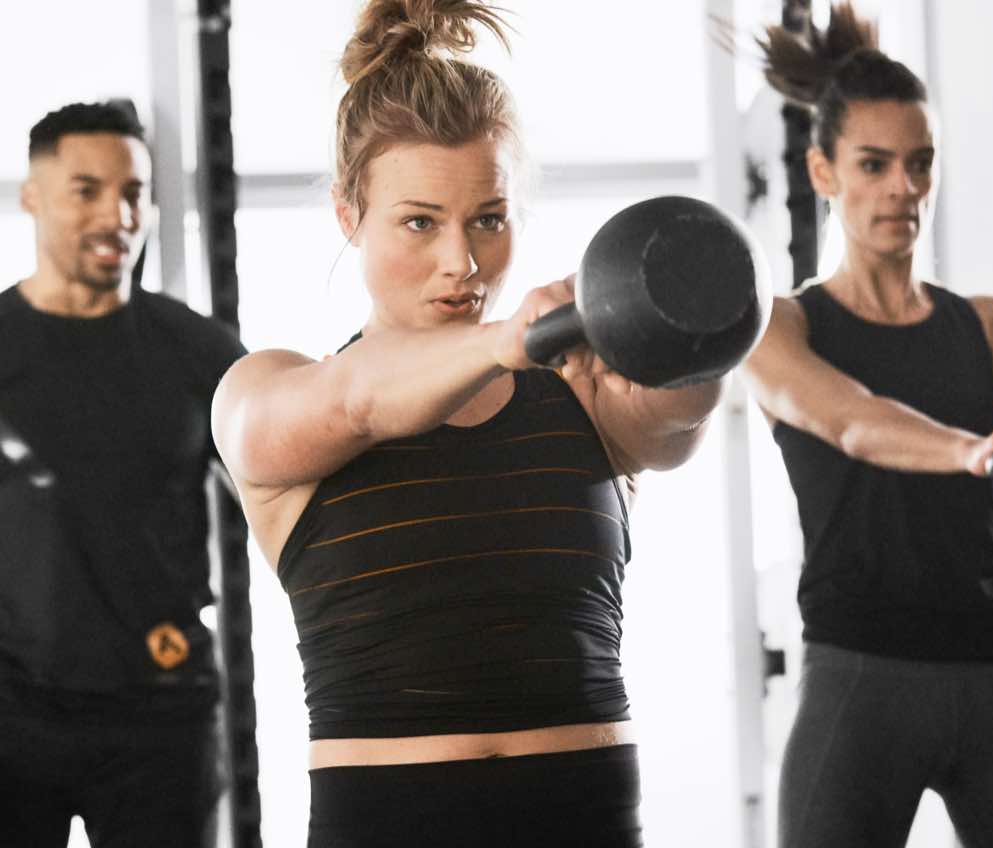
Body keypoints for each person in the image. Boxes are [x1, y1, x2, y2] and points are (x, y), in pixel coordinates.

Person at [210, 1, 730, 846]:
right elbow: (360, 401)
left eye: (488, 218)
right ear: (348, 213)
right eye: (420, 222)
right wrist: (505, 342)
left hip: (588, 818)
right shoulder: (267, 392)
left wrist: (682, 326)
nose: (462, 262)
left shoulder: (577, 391)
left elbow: (680, 416)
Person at [743, 5, 993, 847]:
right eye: (874, 165)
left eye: (920, 163)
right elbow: (854, 423)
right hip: (860, 676)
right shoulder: (781, 327)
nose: (904, 187)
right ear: (823, 172)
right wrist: (977, 453)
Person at [0, 102, 247, 847]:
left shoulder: (197, 351)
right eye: (88, 191)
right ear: (33, 196)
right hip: (12, 712)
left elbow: (284, 487)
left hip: (161, 716)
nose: (119, 214)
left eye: (134, 192)